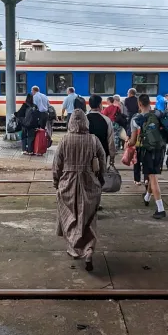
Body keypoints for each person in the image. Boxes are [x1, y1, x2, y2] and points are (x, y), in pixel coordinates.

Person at [53, 110, 106, 272]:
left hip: (68, 183)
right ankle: (88, 250)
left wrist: (57, 183)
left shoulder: (64, 140)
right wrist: (100, 180)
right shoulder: (93, 140)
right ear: (85, 122)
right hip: (90, 184)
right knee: (88, 219)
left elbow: (56, 165)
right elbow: (102, 161)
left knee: (70, 217)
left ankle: (75, 248)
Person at [129, 94, 167, 218]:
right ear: (150, 102)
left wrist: (127, 142)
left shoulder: (136, 118)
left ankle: (160, 209)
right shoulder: (158, 114)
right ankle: (147, 197)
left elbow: (133, 141)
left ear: (139, 104)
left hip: (147, 151)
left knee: (153, 178)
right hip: (160, 149)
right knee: (153, 174)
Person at [86, 95, 117, 166]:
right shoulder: (106, 120)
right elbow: (111, 140)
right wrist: (112, 156)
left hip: (87, 152)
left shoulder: (84, 119)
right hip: (102, 153)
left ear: (89, 104)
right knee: (101, 174)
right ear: (100, 105)